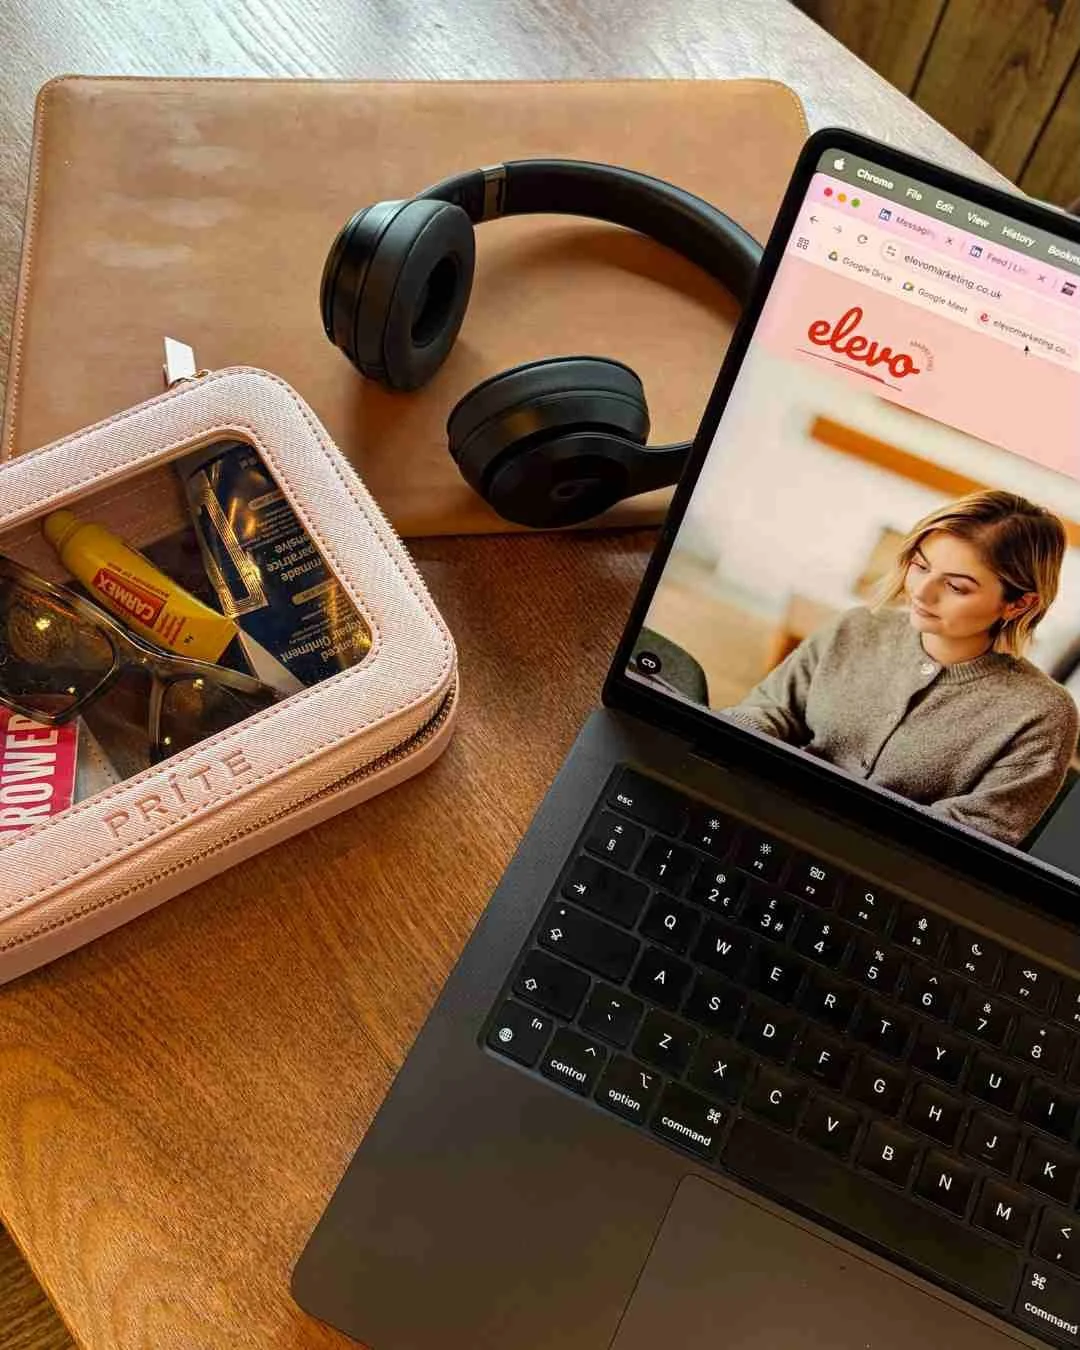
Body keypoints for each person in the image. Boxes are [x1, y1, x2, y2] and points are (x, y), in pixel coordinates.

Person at [722, 490, 1079, 847]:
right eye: (920, 566)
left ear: (1018, 604)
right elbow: (771, 709)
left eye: (956, 586)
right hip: (763, 817)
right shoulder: (856, 627)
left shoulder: (1043, 713)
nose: (921, 592)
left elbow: (975, 835)